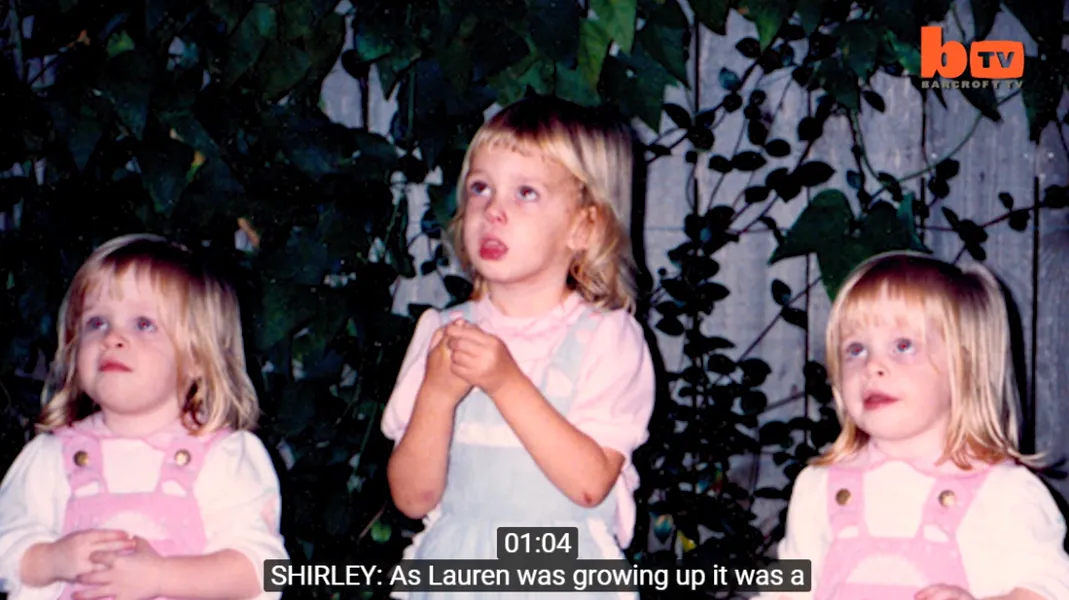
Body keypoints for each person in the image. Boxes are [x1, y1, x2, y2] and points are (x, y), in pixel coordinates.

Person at [382, 96, 656, 598]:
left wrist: (505, 382)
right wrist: (437, 397)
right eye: (480, 188)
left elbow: (589, 485)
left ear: (584, 226)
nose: (493, 211)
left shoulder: (606, 338)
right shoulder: (443, 333)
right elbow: (412, 498)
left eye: (526, 192)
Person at [765, 252, 1069, 600]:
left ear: (965, 365)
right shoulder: (817, 487)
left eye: (903, 345)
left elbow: (1052, 589)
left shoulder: (1004, 492)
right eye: (856, 349)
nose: (873, 366)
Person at [0, 234, 288, 600]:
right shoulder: (50, 458)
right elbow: (6, 544)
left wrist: (162, 578)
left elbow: (266, 572)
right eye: (96, 323)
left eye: (143, 324)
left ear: (198, 357)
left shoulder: (224, 457)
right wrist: (50, 559)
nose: (112, 338)